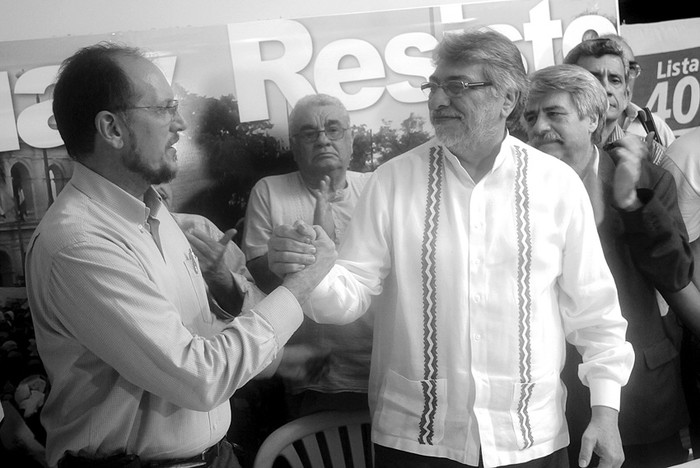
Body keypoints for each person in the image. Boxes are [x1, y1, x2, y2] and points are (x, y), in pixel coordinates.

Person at [268, 29, 634, 468]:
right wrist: (314, 269)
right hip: (417, 441)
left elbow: (595, 312)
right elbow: (347, 299)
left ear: (507, 100)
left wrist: (605, 413)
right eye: (434, 86)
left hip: (529, 438)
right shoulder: (393, 182)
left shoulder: (555, 185)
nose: (438, 100)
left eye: (457, 86)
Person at [25, 42, 336, 468]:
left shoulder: (156, 215)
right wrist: (300, 286)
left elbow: (209, 337)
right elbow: (200, 377)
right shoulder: (79, 245)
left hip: (213, 457)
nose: (181, 124)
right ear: (112, 129)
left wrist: (261, 337)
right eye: (164, 108)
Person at [522, 63, 693, 468]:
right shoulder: (517, 190)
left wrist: (634, 204)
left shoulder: (647, 179)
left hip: (642, 397)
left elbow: (675, 275)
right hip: (554, 397)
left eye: (554, 114)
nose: (540, 127)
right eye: (531, 117)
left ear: (593, 118)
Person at [243, 93, 373, 418]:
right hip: (311, 369)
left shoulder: (376, 188)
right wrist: (286, 263)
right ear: (293, 144)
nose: (323, 140)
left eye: (333, 129)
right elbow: (260, 277)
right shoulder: (269, 191)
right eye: (309, 133)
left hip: (381, 369)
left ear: (351, 138)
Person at [563, 37, 666, 166]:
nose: (606, 88)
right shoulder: (553, 152)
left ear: (626, 96)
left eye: (615, 80)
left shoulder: (653, 154)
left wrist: (647, 173)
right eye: (594, 79)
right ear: (567, 90)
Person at [599, 33, 676, 147]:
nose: (624, 76)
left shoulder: (655, 126)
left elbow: (674, 164)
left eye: (630, 68)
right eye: (613, 70)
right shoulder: (573, 129)